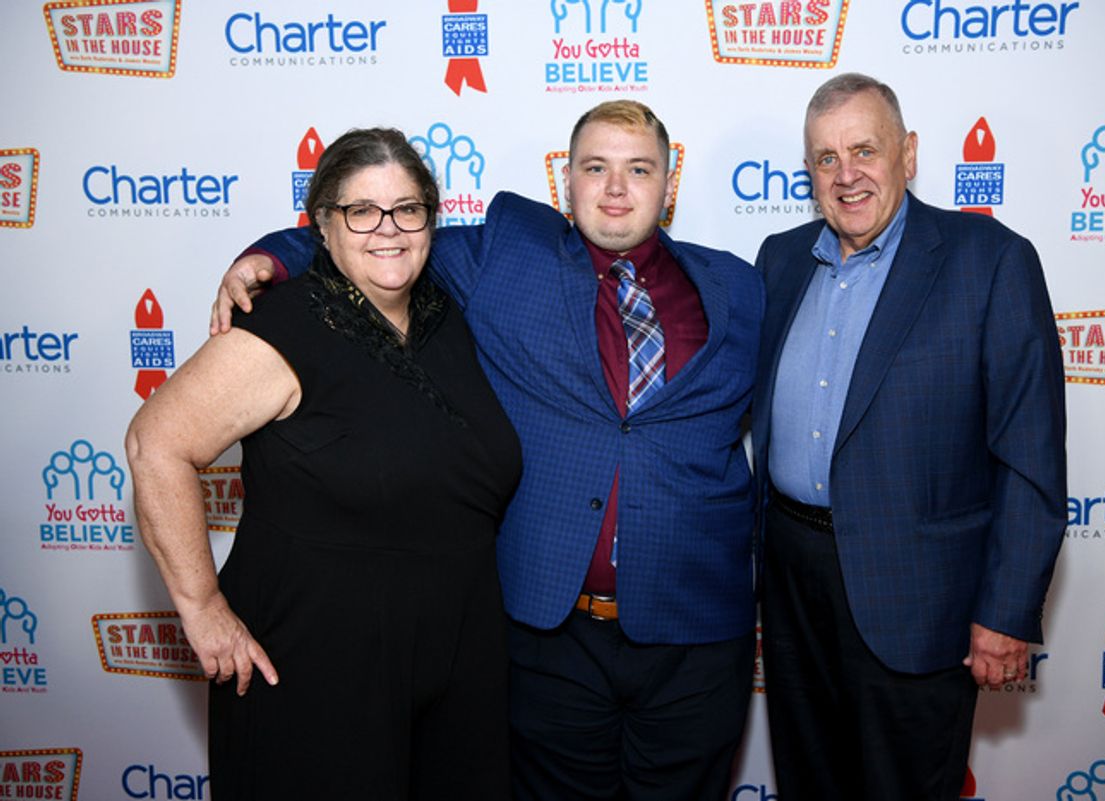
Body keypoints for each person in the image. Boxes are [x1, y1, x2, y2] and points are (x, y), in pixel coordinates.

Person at [213, 100, 764, 801]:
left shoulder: (740, 286)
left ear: (670, 182)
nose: (616, 187)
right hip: (550, 632)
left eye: (638, 168)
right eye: (596, 167)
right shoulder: (508, 252)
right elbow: (382, 237)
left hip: (696, 636)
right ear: (567, 181)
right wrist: (269, 258)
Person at [128, 128, 521, 800]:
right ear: (322, 225)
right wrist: (201, 606)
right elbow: (155, 443)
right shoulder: (280, 328)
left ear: (431, 218)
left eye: (407, 208)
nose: (387, 229)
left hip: (456, 669)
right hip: (316, 670)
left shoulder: (447, 314)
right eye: (361, 211)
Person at [751, 73, 1067, 801]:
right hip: (793, 579)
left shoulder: (988, 260)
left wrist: (1005, 609)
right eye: (825, 158)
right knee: (809, 780)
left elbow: (1030, 453)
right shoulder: (780, 260)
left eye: (865, 149)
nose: (846, 174)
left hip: (918, 597)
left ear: (910, 153)